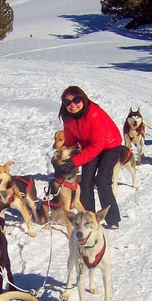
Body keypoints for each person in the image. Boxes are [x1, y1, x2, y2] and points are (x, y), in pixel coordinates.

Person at [56, 85, 122, 229]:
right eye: (67, 102)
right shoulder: (68, 118)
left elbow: (98, 145)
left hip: (110, 146)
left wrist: (76, 161)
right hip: (89, 145)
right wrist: (67, 157)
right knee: (86, 182)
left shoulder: (93, 114)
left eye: (76, 100)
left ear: (83, 100)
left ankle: (113, 219)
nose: (72, 105)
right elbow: (71, 140)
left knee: (102, 181)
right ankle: (88, 218)